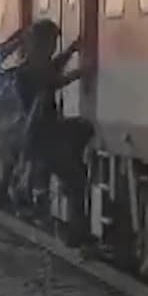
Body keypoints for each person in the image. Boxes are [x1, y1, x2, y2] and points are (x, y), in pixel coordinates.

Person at [16, 19, 92, 244]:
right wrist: (79, 72)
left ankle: (62, 223)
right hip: (42, 137)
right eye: (51, 43)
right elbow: (52, 79)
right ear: (41, 43)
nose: (53, 48)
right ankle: (72, 230)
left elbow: (52, 69)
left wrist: (71, 50)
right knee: (75, 180)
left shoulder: (32, 67)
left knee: (71, 173)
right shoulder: (28, 71)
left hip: (44, 135)